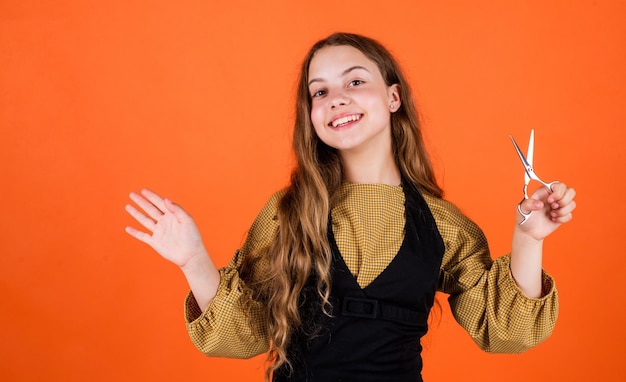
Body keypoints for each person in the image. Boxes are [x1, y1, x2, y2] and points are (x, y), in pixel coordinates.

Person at [125, 33, 576, 382]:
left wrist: (528, 238)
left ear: (393, 98)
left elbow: (506, 333)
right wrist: (193, 260)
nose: (335, 98)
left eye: (355, 81)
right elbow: (239, 338)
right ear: (311, 114)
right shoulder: (287, 214)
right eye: (318, 92)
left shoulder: (442, 225)